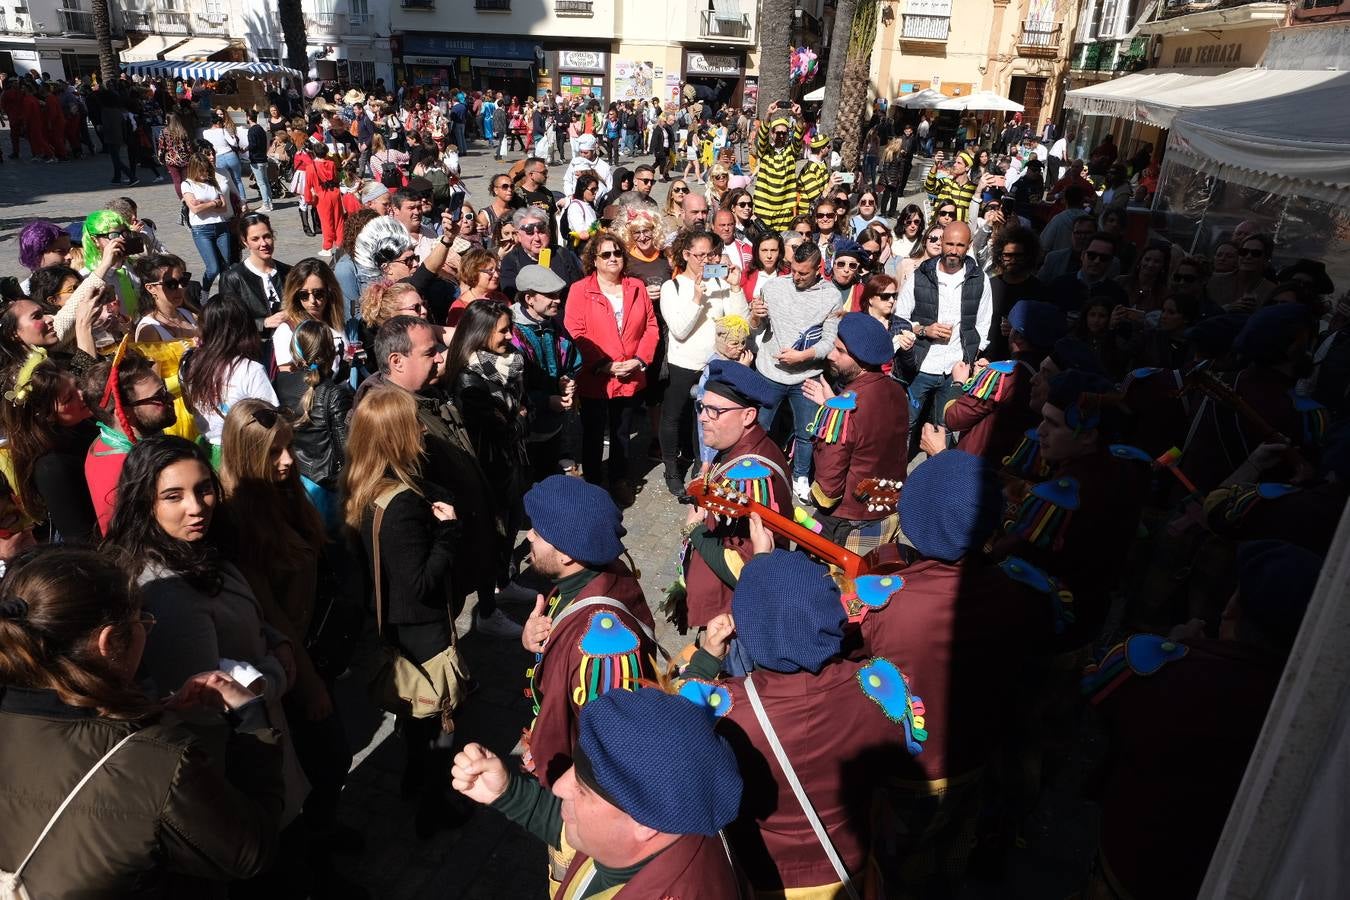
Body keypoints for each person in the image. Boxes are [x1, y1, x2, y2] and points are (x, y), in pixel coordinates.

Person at [0, 545, 284, 894]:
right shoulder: (159, 764)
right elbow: (251, 852)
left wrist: (146, 712)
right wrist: (250, 717)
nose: (146, 630)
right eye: (141, 621)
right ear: (108, 643)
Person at [682, 548, 928, 897]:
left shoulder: (726, 710)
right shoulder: (881, 684)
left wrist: (706, 660)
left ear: (747, 630)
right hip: (850, 865)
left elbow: (676, 730)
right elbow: (901, 764)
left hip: (765, 874)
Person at [860, 450, 1053, 893]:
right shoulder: (1013, 592)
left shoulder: (890, 605)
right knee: (950, 856)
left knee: (895, 867)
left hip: (907, 770)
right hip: (975, 756)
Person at [453, 688, 743, 897]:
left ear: (644, 824)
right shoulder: (672, 819)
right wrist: (509, 792)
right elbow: (579, 831)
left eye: (583, 788)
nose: (558, 786)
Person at [342, 385, 468, 834]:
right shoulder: (403, 507)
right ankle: (434, 807)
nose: (421, 429)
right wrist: (448, 533)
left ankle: (414, 781)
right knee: (439, 719)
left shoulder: (363, 488)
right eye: (413, 423)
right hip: (420, 630)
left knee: (411, 714)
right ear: (395, 436)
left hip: (390, 623)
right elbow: (421, 585)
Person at [356, 316, 501, 625]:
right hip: (435, 557)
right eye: (429, 352)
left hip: (457, 544)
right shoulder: (388, 419)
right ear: (396, 361)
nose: (439, 357)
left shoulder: (429, 393)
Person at [518, 475, 658, 793]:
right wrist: (535, 642)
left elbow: (612, 748)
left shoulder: (606, 647)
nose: (529, 536)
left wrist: (577, 796)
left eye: (538, 533)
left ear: (567, 554)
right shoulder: (590, 575)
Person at [677, 359, 791, 644]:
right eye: (703, 407)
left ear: (748, 415)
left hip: (730, 620)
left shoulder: (750, 479)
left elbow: (746, 566)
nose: (703, 417)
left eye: (716, 410)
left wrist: (695, 531)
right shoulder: (735, 446)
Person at [444, 300, 529, 630]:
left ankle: (503, 583)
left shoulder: (513, 364)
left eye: (510, 328)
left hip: (510, 463)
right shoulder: (469, 379)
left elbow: (521, 407)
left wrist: (519, 416)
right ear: (480, 333)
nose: (510, 336)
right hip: (486, 469)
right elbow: (502, 430)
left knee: (510, 525)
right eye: (503, 330)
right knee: (491, 536)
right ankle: (488, 611)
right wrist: (520, 419)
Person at [563, 231, 659, 506]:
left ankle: (619, 478)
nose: (613, 258)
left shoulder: (636, 287)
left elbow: (651, 327)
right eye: (606, 254)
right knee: (593, 433)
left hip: (630, 373)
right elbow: (576, 331)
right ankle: (593, 484)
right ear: (594, 259)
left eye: (617, 253)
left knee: (622, 432)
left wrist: (640, 360)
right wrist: (604, 364)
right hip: (597, 376)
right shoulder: (580, 290)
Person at [801, 312, 910, 549]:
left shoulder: (843, 411)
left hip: (849, 519)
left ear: (862, 360)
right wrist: (832, 405)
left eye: (840, 351)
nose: (831, 355)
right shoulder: (897, 392)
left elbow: (828, 486)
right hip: (888, 503)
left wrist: (832, 411)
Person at [659, 229, 751, 495]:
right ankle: (671, 468)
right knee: (673, 417)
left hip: (714, 363)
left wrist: (734, 287)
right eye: (699, 255)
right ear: (686, 254)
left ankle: (702, 465)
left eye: (710, 254)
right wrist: (697, 298)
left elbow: (739, 322)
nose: (705, 260)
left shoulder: (720, 283)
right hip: (683, 363)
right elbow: (680, 330)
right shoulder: (672, 287)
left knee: (705, 418)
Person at [929, 300, 1066, 468]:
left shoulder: (1002, 375)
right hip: (1023, 463)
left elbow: (952, 418)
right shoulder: (1057, 373)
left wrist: (960, 383)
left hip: (980, 467)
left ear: (1017, 337)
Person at [895, 222, 994, 453]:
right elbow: (899, 318)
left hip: (955, 369)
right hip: (922, 365)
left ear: (968, 246)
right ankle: (896, 478)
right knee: (906, 424)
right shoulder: (921, 275)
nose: (953, 250)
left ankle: (936, 479)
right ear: (941, 244)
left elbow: (983, 324)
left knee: (945, 427)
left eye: (960, 245)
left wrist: (971, 357)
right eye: (949, 243)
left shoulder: (979, 280)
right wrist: (924, 330)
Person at [753, 241, 841, 500]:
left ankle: (800, 475)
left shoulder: (831, 296)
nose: (796, 277)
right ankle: (756, 469)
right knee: (760, 426)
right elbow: (757, 328)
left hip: (806, 377)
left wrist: (804, 356)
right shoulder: (773, 287)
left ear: (818, 269)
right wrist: (755, 315)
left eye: (803, 273)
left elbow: (828, 341)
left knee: (806, 431)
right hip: (770, 373)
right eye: (793, 270)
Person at [0, 355, 99, 543]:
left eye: (77, 384)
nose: (82, 394)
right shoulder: (52, 467)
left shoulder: (86, 421)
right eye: (69, 398)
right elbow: (81, 540)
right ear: (46, 416)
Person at [81, 350, 178, 535]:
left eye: (164, 390)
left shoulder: (105, 440)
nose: (170, 399)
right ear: (124, 414)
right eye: (159, 397)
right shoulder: (135, 469)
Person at [273, 318, 353, 518]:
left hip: (294, 480)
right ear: (330, 350)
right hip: (328, 489)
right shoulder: (334, 393)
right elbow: (346, 449)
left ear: (294, 352)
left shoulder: (279, 383)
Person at [181, 297, 278, 459]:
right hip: (241, 454)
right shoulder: (251, 369)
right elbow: (270, 420)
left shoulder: (190, 362)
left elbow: (190, 407)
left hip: (206, 451)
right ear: (245, 328)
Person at [510, 265, 581, 480]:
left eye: (558, 295)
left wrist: (567, 380)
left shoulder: (554, 324)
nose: (558, 300)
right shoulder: (511, 333)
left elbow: (571, 359)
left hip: (553, 426)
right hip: (524, 432)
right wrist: (544, 401)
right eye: (550, 296)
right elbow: (511, 386)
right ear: (529, 298)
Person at [218, 212, 291, 335]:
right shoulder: (232, 278)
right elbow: (229, 321)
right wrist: (263, 323)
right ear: (245, 241)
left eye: (267, 236)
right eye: (255, 239)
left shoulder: (289, 272)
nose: (263, 243)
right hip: (255, 346)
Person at [272, 258, 346, 372]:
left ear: (330, 292)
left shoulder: (337, 322)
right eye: (304, 295)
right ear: (295, 295)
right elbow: (287, 380)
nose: (312, 301)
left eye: (319, 293)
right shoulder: (287, 331)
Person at [180, 151, 237, 293]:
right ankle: (204, 292)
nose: (205, 174)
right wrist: (214, 203)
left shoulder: (212, 182)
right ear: (194, 169)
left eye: (207, 170)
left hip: (220, 226)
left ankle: (225, 294)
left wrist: (205, 203)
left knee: (226, 264)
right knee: (213, 268)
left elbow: (223, 208)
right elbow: (195, 209)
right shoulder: (187, 184)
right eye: (202, 171)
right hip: (202, 229)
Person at [985, 225, 1043, 360]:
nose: (1013, 260)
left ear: (1028, 257)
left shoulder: (1039, 290)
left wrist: (1018, 329)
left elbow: (1045, 331)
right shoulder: (989, 285)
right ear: (999, 256)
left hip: (1025, 362)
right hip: (989, 359)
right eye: (1007, 255)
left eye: (1018, 255)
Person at [499, 207, 583, 297]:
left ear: (549, 232)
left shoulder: (562, 253)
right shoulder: (511, 261)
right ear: (518, 236)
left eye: (541, 232)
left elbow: (578, 288)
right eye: (530, 233)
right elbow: (511, 296)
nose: (537, 238)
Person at [753, 102, 805, 232]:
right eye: (778, 132)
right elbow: (762, 137)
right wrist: (768, 114)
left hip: (784, 208)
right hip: (764, 206)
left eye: (784, 133)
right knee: (763, 240)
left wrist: (798, 116)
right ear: (772, 134)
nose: (781, 135)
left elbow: (799, 136)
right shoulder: (764, 151)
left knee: (782, 241)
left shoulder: (791, 152)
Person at [131, 253, 199, 342]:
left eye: (183, 281)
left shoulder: (189, 315)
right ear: (151, 288)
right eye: (171, 284)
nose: (180, 287)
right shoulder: (149, 330)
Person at [1208, 233, 1277, 312]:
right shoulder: (1214, 281)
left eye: (1256, 253)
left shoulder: (1272, 292)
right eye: (1243, 252)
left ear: (1266, 260)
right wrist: (1226, 308)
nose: (1248, 256)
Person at [202, 108, 248, 203]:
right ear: (217, 123)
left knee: (224, 180)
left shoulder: (205, 133)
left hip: (218, 156)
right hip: (230, 154)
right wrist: (233, 137)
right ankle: (243, 199)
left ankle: (230, 199)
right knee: (238, 179)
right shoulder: (223, 130)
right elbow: (234, 143)